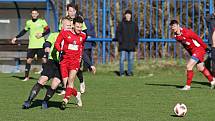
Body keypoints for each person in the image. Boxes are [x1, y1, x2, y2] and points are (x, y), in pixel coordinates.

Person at [22, 17, 95, 109]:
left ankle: (45, 101)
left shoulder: (76, 36)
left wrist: (90, 64)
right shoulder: (55, 35)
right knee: (42, 80)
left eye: (70, 25)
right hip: (53, 62)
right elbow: (47, 43)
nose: (69, 27)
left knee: (56, 84)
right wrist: (47, 47)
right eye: (67, 25)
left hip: (63, 64)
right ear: (61, 25)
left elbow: (81, 50)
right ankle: (29, 101)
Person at [169, 20, 215, 90]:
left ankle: (187, 86)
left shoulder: (187, 32)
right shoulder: (176, 36)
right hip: (193, 52)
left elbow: (198, 38)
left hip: (198, 50)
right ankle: (212, 81)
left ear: (178, 25)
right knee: (200, 68)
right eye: (172, 27)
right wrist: (191, 53)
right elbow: (186, 45)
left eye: (174, 26)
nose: (173, 28)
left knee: (189, 66)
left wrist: (206, 48)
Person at [54, 16, 87, 110]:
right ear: (73, 25)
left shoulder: (83, 36)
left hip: (75, 62)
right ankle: (77, 95)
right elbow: (57, 43)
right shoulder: (64, 33)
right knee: (66, 85)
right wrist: (60, 50)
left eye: (81, 27)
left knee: (71, 81)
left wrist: (80, 57)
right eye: (77, 27)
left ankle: (65, 100)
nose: (79, 29)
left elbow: (82, 46)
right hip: (64, 61)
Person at [11, 8, 50, 81]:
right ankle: (26, 77)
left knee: (44, 60)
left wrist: (42, 34)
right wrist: (16, 37)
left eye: (35, 13)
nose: (34, 15)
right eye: (33, 13)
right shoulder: (29, 22)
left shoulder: (42, 21)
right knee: (28, 60)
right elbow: (24, 31)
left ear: (38, 14)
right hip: (32, 45)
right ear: (31, 14)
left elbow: (48, 30)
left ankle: (45, 76)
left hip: (41, 45)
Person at [58, 3, 88, 95]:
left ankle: (81, 81)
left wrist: (77, 37)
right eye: (70, 10)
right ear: (67, 11)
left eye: (73, 11)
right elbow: (61, 31)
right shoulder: (63, 20)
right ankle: (66, 87)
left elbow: (84, 32)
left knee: (76, 68)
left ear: (76, 11)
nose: (72, 12)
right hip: (66, 46)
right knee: (64, 67)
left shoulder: (79, 20)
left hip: (77, 46)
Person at [116, 10, 139, 76]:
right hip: (123, 44)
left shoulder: (134, 24)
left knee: (131, 60)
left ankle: (129, 72)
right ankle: (121, 72)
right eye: (127, 14)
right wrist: (120, 40)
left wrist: (136, 42)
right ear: (125, 15)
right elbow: (118, 33)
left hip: (131, 45)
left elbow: (136, 33)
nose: (128, 16)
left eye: (129, 14)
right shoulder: (121, 24)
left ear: (131, 16)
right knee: (122, 59)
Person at [205, 12, 215, 76]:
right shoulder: (211, 19)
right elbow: (206, 19)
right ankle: (213, 77)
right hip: (213, 42)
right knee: (213, 59)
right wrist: (213, 14)